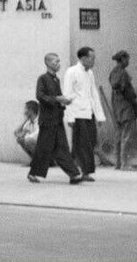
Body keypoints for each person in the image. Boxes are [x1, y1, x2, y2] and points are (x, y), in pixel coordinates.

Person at [29, 53, 84, 184]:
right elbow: (40, 96)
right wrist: (57, 99)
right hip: (47, 120)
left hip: (57, 118)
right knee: (44, 148)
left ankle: (74, 174)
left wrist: (64, 101)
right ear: (48, 63)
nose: (58, 64)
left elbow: (58, 96)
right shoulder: (42, 79)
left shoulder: (56, 80)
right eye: (55, 62)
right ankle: (34, 173)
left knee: (62, 147)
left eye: (59, 62)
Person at [63, 47, 105, 181]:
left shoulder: (90, 73)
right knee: (82, 144)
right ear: (83, 58)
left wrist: (99, 115)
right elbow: (67, 94)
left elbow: (94, 94)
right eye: (91, 58)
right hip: (77, 113)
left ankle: (81, 170)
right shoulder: (72, 72)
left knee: (91, 142)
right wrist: (69, 116)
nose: (94, 61)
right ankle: (81, 171)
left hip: (89, 112)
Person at [109, 50, 137, 169]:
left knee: (118, 135)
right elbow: (128, 92)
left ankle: (118, 163)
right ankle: (125, 163)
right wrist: (136, 105)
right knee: (128, 135)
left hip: (116, 106)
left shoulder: (113, 72)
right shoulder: (123, 73)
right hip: (126, 106)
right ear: (123, 59)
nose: (128, 62)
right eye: (127, 59)